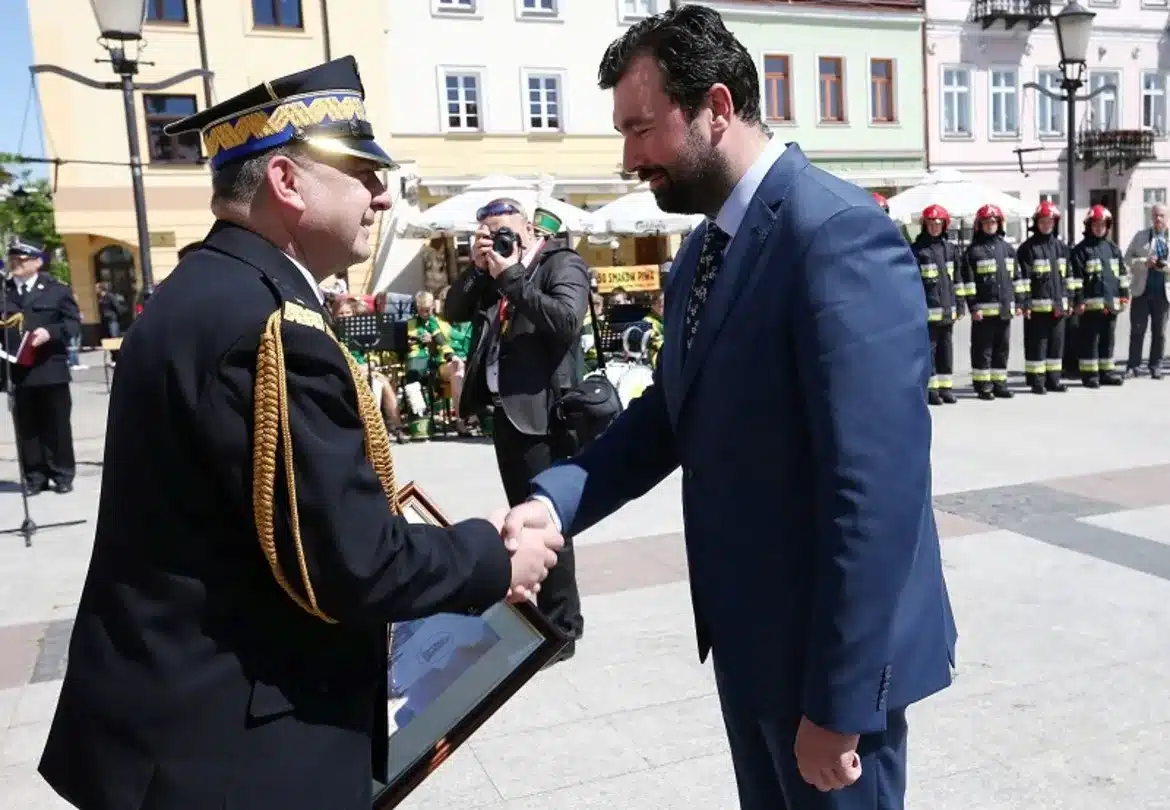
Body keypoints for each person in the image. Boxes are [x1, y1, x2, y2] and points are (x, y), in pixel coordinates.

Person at [38, 56, 562, 810]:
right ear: (287, 182)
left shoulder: (207, 289)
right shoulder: (273, 325)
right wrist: (493, 555)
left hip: (180, 723)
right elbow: (350, 563)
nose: (381, 194)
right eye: (361, 171)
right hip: (238, 749)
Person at [504, 8, 956, 809]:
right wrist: (555, 502)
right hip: (750, 648)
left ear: (716, 106)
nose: (628, 158)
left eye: (642, 128)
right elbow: (670, 414)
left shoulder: (836, 234)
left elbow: (874, 492)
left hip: (826, 670)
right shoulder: (706, 251)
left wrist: (841, 704)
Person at [444, 196, 590, 663]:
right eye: (490, 234)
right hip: (506, 415)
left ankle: (563, 628)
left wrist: (511, 275)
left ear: (528, 228)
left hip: (545, 415)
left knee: (547, 520)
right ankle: (540, 617)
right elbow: (453, 310)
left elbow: (565, 320)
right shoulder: (492, 275)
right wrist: (478, 266)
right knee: (521, 519)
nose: (500, 241)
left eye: (505, 232)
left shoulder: (561, 263)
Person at [1, 238, 81, 495]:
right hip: (17, 372)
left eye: (21, 260)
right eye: (12, 259)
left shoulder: (56, 290)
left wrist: (50, 332)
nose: (15, 264)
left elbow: (72, 325)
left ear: (37, 262)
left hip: (49, 368)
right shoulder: (3, 291)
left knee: (56, 424)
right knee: (26, 427)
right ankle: (34, 476)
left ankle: (62, 474)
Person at [962, 203, 1025, 400]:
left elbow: (1018, 279)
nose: (990, 225)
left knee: (1001, 349)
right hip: (983, 312)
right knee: (983, 349)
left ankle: (999, 383)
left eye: (993, 221)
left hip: (1005, 310)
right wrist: (974, 306)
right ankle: (983, 385)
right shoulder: (973, 252)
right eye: (986, 222)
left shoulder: (1007, 249)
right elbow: (969, 283)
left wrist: (1020, 303)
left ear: (999, 224)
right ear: (979, 225)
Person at [1016, 200, 1072, 395]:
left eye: (1049, 221)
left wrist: (1069, 300)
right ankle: (1037, 381)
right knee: (1037, 345)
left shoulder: (1061, 248)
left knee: (1056, 345)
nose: (1046, 225)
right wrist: (1025, 302)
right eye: (1042, 221)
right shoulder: (1027, 248)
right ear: (1036, 222)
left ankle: (1053, 380)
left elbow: (1068, 277)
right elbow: (1022, 279)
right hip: (1036, 308)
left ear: (1054, 222)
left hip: (1058, 307)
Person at [910, 204, 963, 405]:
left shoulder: (950, 249)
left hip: (948, 311)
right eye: (931, 224)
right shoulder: (917, 250)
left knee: (946, 351)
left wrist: (960, 304)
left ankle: (946, 388)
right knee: (929, 353)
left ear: (944, 225)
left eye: (938, 224)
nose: (934, 227)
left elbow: (957, 279)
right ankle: (931, 391)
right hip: (927, 314)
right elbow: (913, 284)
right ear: (924, 225)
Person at [1071, 205, 1128, 388]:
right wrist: (1078, 301)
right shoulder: (1080, 250)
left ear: (1107, 226)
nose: (1098, 228)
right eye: (1095, 224)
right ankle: (1090, 375)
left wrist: (1124, 295)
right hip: (1089, 307)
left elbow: (1121, 274)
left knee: (1108, 340)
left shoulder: (1113, 248)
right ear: (1088, 226)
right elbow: (1076, 279)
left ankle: (1107, 372)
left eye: (1102, 224)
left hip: (1111, 304)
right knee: (1090, 341)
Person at [1123, 202, 1169, 379]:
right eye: (1155, 215)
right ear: (1151, 217)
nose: (1158, 219)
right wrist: (1144, 262)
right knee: (1137, 329)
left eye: (1162, 216)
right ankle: (1133, 365)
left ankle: (1155, 365)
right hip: (1142, 291)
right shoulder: (1141, 236)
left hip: (1163, 293)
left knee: (1160, 332)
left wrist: (1165, 266)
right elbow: (1127, 259)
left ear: (1168, 218)